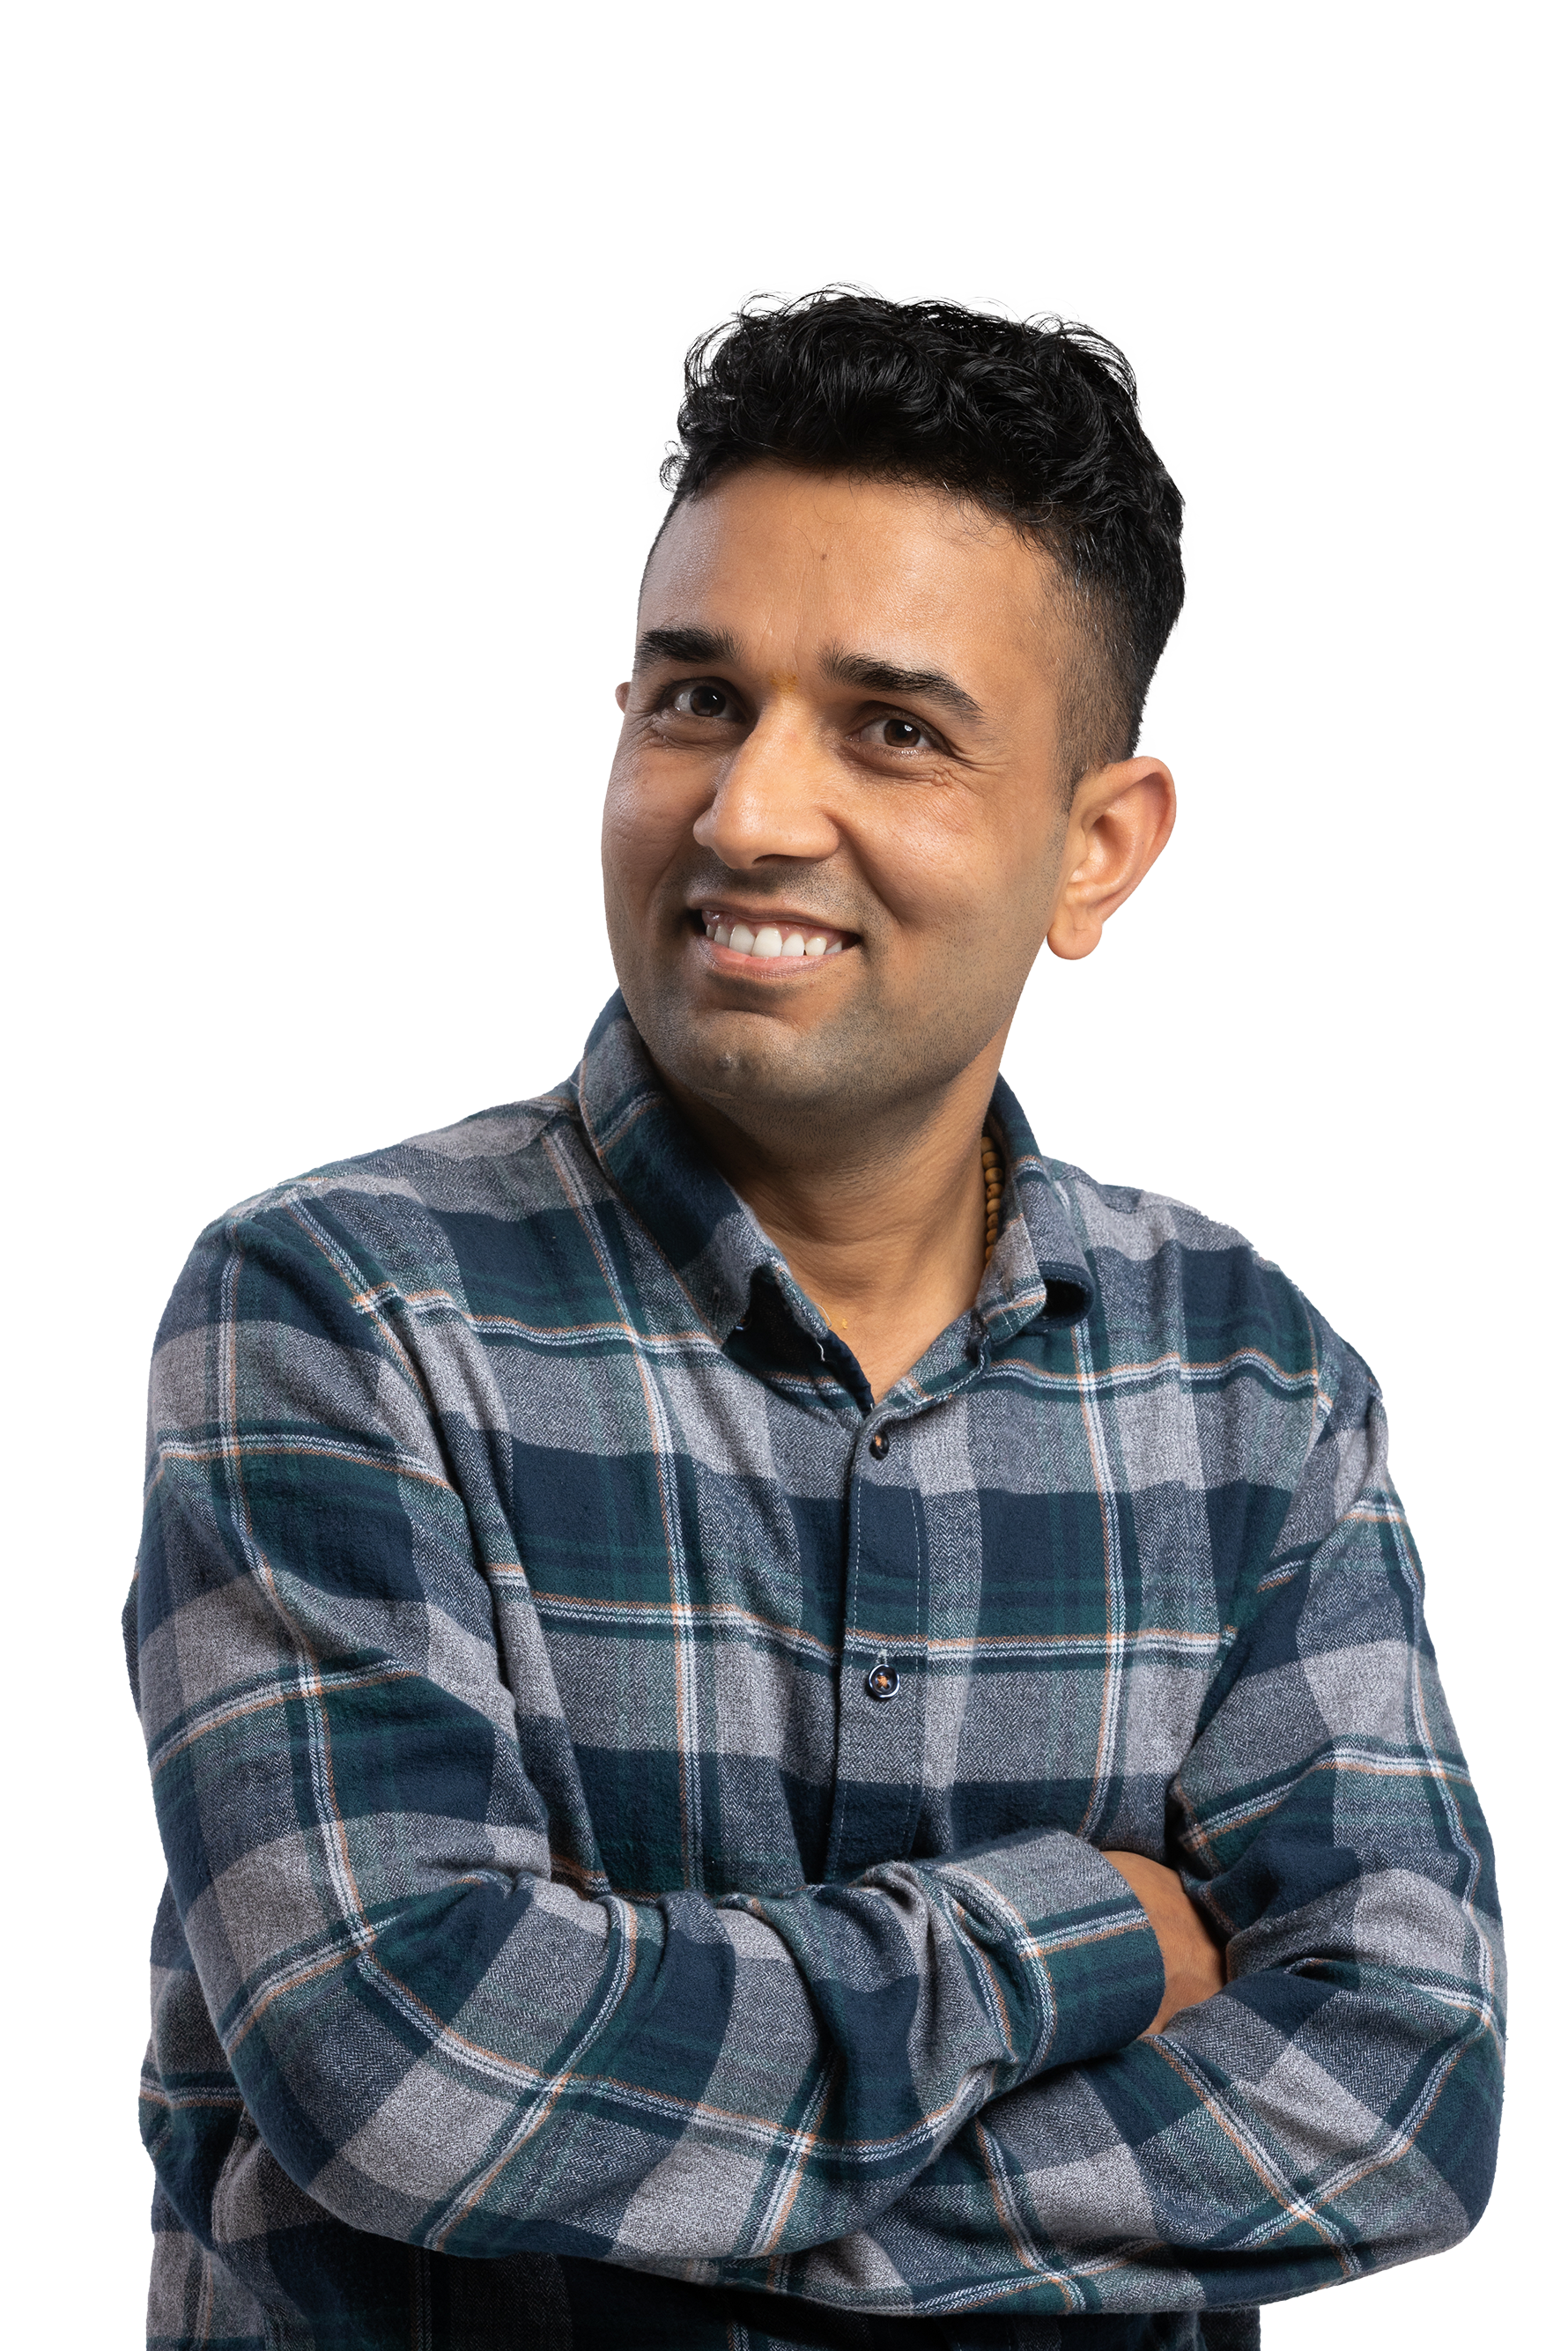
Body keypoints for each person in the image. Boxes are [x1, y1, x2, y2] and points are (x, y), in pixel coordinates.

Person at [126, 286, 1503, 2351]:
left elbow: (1399, 2085)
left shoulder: (1248, 1380)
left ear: (1097, 847)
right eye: (695, 698)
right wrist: (1066, 1933)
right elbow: (404, 2063)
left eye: (891, 728)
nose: (748, 812)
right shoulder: (335, 1310)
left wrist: (640, 2189)